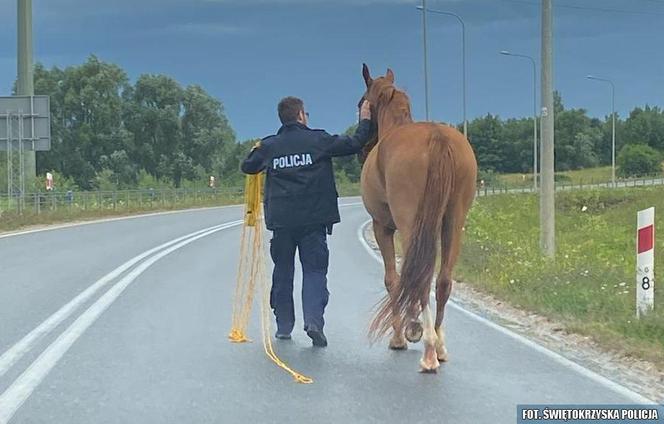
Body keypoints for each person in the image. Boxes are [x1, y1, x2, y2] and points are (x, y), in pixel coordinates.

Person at [241, 96, 373, 347]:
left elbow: (248, 166)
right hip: (314, 221)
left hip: (282, 223)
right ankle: (313, 321)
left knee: (283, 271)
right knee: (314, 271)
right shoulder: (319, 140)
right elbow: (356, 143)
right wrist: (364, 118)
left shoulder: (270, 146)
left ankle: (283, 325)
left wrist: (258, 148)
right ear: (301, 115)